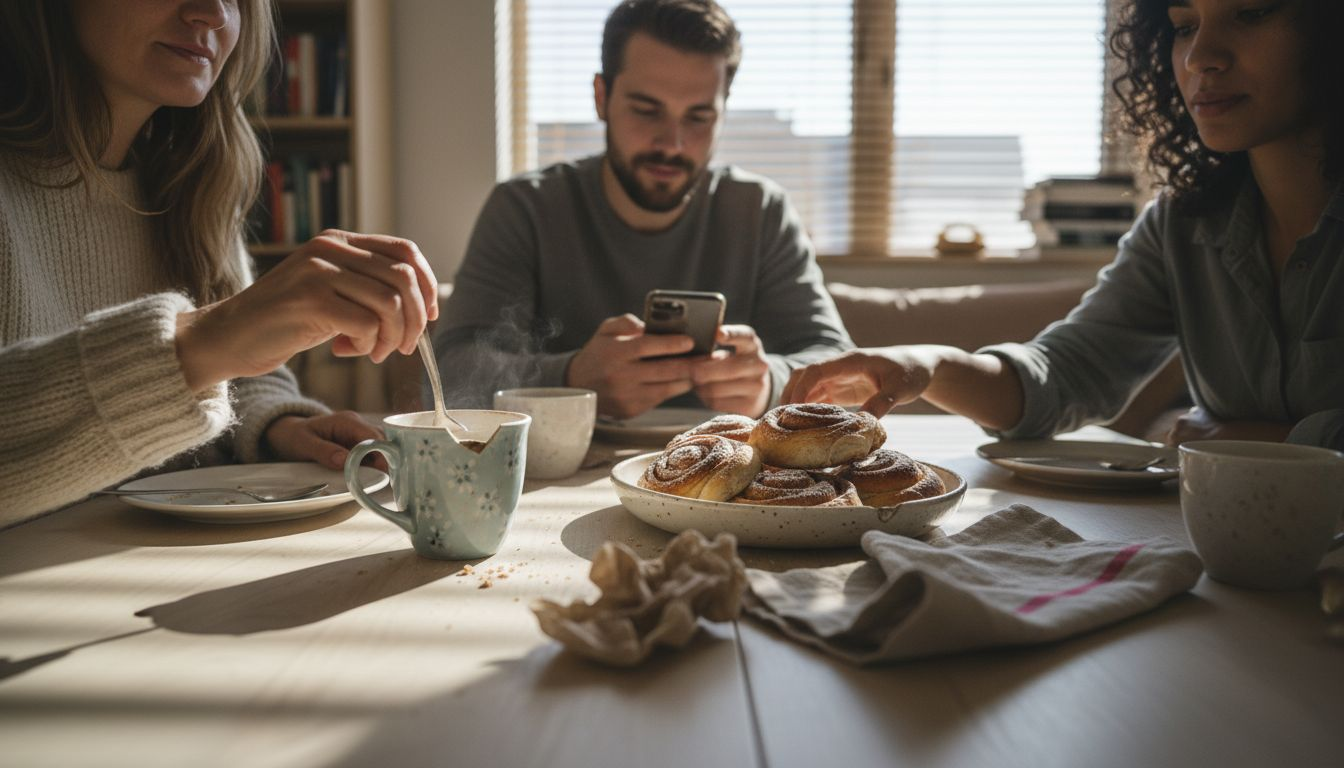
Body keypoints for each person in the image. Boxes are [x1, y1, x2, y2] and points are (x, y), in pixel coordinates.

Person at [781, 0, 1343, 451]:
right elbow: (1068, 375)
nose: (1200, 57)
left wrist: (1280, 441)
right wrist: (924, 366)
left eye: (1252, 13)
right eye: (1183, 25)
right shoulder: (1180, 222)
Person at [0, 0, 439, 524]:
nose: (211, 12)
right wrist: (197, 344)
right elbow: (214, 351)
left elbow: (237, 375)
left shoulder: (194, 184)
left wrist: (274, 426)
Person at [433, 0, 852, 420]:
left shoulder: (760, 211)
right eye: (646, 110)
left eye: (699, 117)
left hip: (727, 473)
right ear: (601, 97)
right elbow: (449, 375)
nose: (672, 143)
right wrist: (571, 378)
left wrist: (769, 383)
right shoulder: (526, 208)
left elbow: (843, 369)